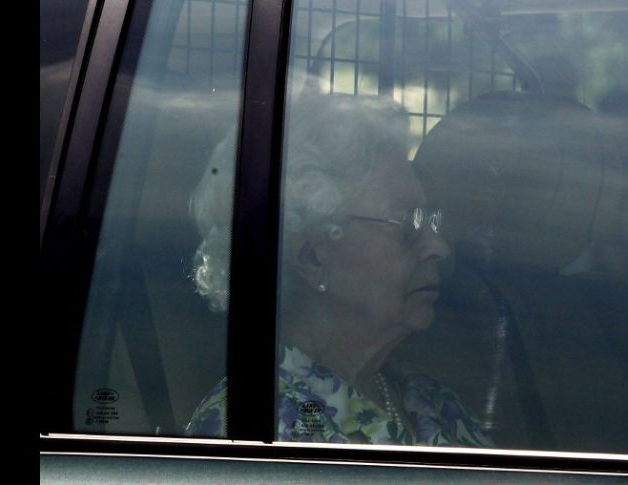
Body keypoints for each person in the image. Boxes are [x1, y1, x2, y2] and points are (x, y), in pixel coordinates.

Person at [184, 93, 493, 447]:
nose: (439, 247)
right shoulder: (256, 425)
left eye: (431, 222)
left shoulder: (431, 401)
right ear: (310, 259)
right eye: (408, 224)